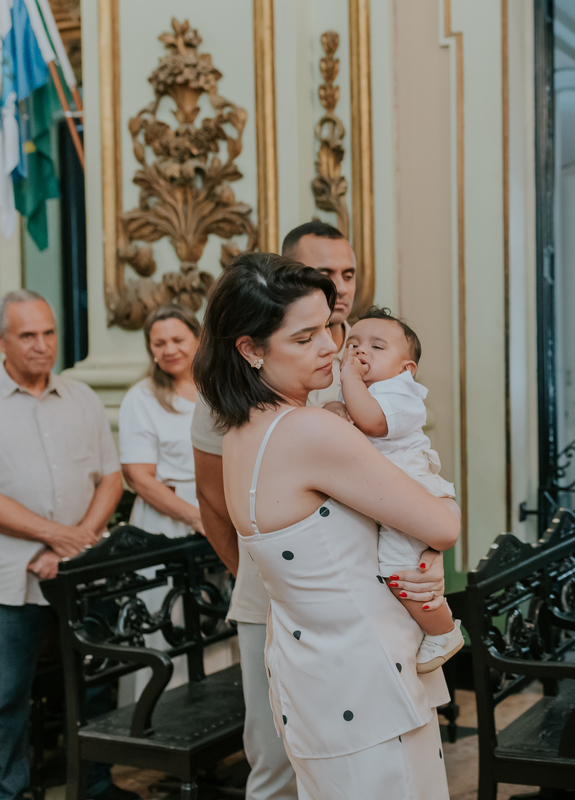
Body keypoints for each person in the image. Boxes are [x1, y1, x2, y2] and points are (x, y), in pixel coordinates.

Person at [193, 254, 458, 800]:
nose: (331, 348)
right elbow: (441, 523)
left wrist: (420, 560)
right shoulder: (311, 431)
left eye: (328, 329)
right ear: (250, 348)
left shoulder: (243, 430)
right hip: (369, 677)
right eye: (305, 337)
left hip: (311, 673)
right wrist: (433, 544)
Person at [0, 290, 134, 800]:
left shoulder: (80, 397)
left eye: (49, 333)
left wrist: (73, 545)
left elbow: (111, 477)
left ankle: (95, 786)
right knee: (6, 695)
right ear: (2, 343)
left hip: (80, 570)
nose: (42, 345)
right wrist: (54, 536)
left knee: (94, 684)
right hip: (12, 573)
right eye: (27, 335)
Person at [324, 308, 463, 672]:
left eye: (376, 346)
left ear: (406, 369)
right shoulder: (363, 390)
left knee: (403, 570)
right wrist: (338, 403)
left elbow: (370, 421)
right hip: (391, 499)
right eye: (353, 344)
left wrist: (347, 385)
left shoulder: (402, 394)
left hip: (414, 496)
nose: (360, 352)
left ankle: (443, 630)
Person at [119, 306, 204, 538]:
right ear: (151, 349)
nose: (169, 350)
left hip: (222, 513)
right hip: (166, 522)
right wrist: (194, 517)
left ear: (199, 339)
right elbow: (138, 477)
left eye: (178, 340)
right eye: (159, 343)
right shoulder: (141, 398)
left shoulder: (221, 389)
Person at [280, 221, 357, 406]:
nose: (341, 288)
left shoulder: (376, 359)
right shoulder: (265, 355)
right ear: (289, 277)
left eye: (348, 276)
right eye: (325, 275)